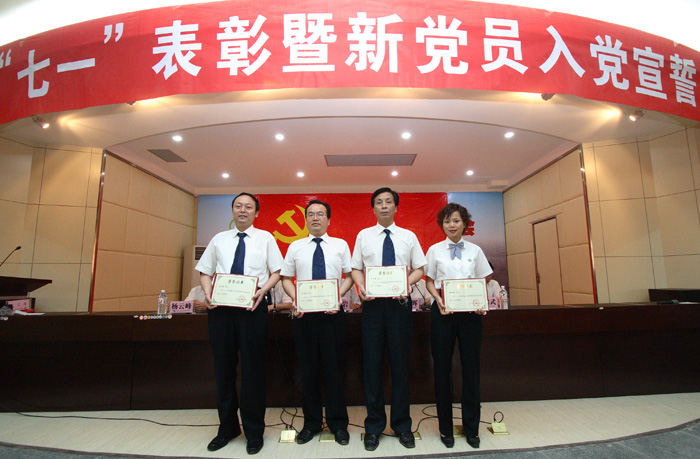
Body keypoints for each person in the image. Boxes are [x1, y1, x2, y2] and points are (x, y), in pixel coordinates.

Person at [196, 192, 283, 455]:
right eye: (238, 206)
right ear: (232, 210)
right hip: (221, 310)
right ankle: (227, 428)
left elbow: (277, 271)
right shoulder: (219, 239)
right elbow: (205, 271)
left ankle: (254, 431)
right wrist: (208, 293)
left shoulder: (266, 238)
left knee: (254, 371)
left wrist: (263, 291)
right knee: (223, 370)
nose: (243, 210)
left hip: (252, 308)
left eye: (248, 207)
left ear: (256, 212)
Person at [351, 187, 427, 451]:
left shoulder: (408, 236)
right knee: (372, 368)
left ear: (396, 207)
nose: (384, 206)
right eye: (379, 202)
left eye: (388, 202)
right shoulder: (363, 235)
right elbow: (356, 268)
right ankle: (373, 427)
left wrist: (406, 284)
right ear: (373, 208)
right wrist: (361, 287)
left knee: (400, 367)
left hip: (399, 306)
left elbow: (420, 268)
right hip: (372, 307)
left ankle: (402, 425)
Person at [280, 199, 354, 446]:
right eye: (310, 214)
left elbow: (349, 276)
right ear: (305, 220)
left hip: (333, 316)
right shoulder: (295, 246)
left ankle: (338, 424)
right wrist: (296, 298)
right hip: (305, 317)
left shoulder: (340, 245)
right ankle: (311, 423)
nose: (315, 218)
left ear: (328, 219)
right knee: (308, 371)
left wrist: (338, 296)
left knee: (334, 371)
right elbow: (286, 278)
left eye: (320, 214)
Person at [424, 203, 492, 449]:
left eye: (456, 220)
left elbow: (485, 276)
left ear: (464, 224)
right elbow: (429, 280)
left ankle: (472, 428)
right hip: (443, 310)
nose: (451, 225)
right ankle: (445, 429)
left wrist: (479, 299)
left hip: (470, 313)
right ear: (441, 225)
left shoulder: (475, 250)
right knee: (442, 369)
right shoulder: (434, 250)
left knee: (471, 368)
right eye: (447, 221)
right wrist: (437, 298)